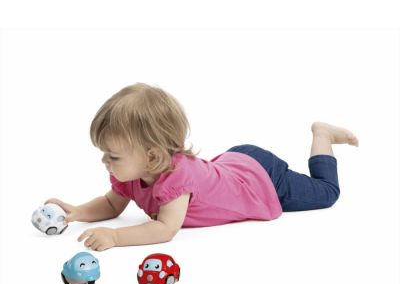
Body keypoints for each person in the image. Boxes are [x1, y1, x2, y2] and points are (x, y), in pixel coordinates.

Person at [46, 82, 359, 251]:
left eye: (113, 156)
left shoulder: (175, 180)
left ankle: (322, 135)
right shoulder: (131, 173)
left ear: (152, 156)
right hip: (235, 165)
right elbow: (112, 204)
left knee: (327, 193)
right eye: (105, 153)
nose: (105, 161)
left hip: (262, 179)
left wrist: (116, 238)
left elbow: (165, 229)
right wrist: (78, 212)